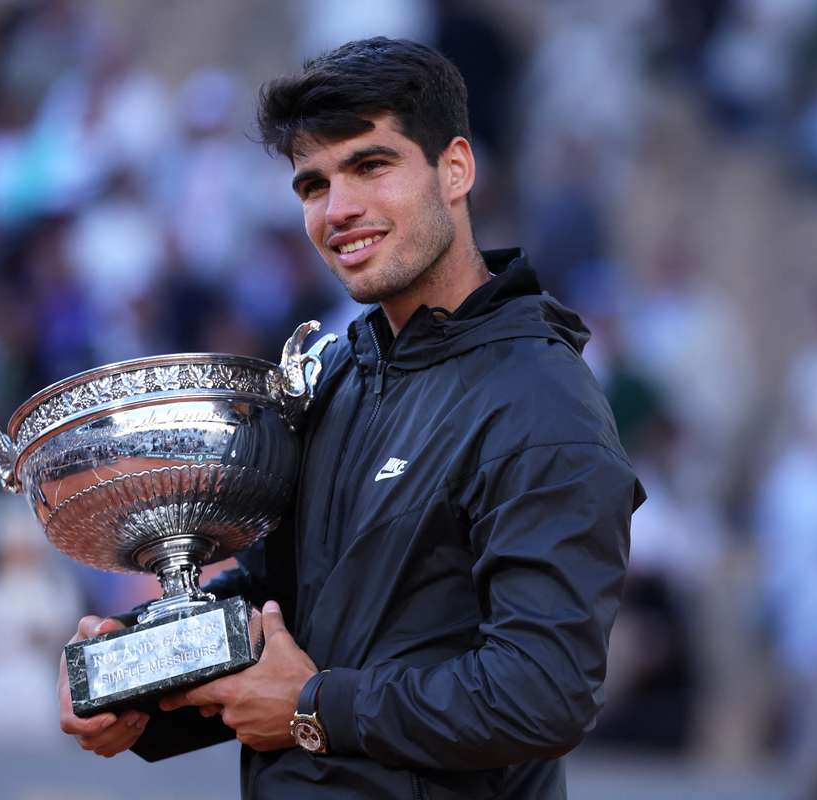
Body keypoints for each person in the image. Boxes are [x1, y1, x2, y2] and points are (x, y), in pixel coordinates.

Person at [58, 37, 644, 799]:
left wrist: (313, 709)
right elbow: (284, 617)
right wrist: (136, 682)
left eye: (371, 166)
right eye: (312, 184)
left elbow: (542, 694)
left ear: (456, 168)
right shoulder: (339, 373)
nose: (339, 210)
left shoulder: (540, 401)